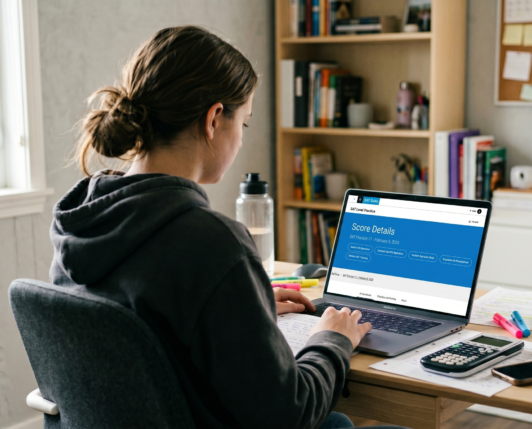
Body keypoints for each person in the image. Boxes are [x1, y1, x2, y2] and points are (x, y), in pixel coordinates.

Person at [49, 26, 382, 428]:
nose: (241, 141)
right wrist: (333, 339)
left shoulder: (83, 219)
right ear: (213, 119)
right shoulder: (212, 243)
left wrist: (242, 311)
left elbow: (144, 333)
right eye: (242, 124)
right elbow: (289, 415)